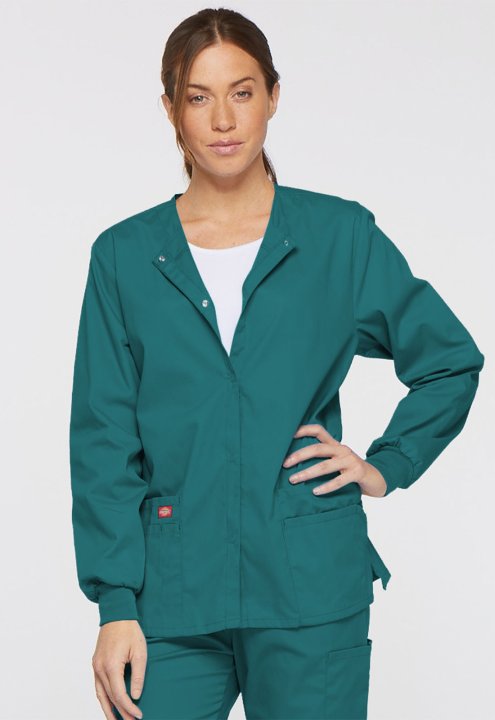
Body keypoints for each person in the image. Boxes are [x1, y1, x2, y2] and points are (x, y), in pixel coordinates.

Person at [69, 7, 485, 720]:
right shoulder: (123, 257)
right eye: (198, 97)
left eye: (242, 92)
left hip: (309, 586)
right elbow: (103, 439)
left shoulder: (338, 236)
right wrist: (115, 604)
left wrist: (385, 464)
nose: (222, 119)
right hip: (171, 596)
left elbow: (449, 360)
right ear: (170, 109)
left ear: (273, 96)